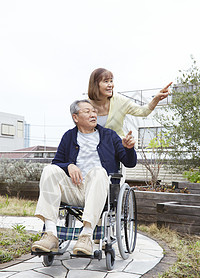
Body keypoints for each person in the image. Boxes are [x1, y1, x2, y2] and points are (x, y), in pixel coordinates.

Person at [32, 100, 137, 256]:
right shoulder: (68, 136)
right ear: (76, 117)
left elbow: (130, 162)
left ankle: (86, 236)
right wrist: (68, 165)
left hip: (99, 190)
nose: (93, 114)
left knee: (99, 171)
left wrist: (129, 149)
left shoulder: (109, 135)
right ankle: (50, 234)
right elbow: (57, 163)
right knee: (49, 170)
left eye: (94, 111)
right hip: (74, 189)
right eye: (87, 111)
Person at [88, 68, 172, 137]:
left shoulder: (120, 101)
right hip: (93, 154)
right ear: (95, 84)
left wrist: (156, 99)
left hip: (116, 153)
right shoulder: (85, 106)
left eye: (111, 81)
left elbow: (143, 111)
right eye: (106, 81)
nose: (110, 85)